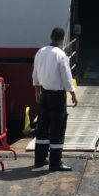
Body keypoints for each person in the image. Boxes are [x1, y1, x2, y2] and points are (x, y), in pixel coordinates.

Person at [32, 26, 78, 172]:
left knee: (43, 125)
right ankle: (55, 162)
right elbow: (66, 76)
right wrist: (73, 94)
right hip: (57, 96)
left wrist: (37, 91)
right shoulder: (60, 54)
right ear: (62, 39)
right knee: (58, 127)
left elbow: (35, 72)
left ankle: (39, 159)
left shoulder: (40, 52)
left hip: (44, 93)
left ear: (51, 37)